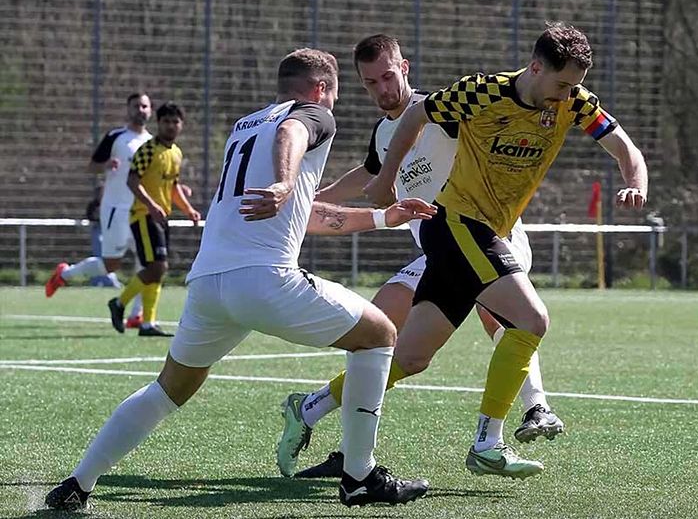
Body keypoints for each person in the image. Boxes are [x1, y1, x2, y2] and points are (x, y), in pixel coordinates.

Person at [44, 48, 433, 512]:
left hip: (209, 285)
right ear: (321, 88)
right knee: (379, 335)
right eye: (338, 92)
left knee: (167, 389)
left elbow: (307, 215)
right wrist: (287, 181)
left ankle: (77, 484)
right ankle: (360, 475)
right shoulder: (311, 114)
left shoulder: (244, 126)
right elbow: (294, 131)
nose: (336, 104)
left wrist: (382, 217)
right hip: (266, 280)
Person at [362, 22, 649, 479]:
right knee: (529, 319)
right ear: (535, 67)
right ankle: (491, 438)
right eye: (561, 83)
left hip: (488, 232)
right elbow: (416, 117)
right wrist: (382, 180)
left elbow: (624, 147)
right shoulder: (481, 93)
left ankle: (314, 406)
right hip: (455, 225)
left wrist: (635, 183)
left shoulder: (574, 101)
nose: (567, 94)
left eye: (574, 85)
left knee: (412, 354)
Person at [278, 34, 564, 480]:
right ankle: (315, 413)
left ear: (405, 68)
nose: (382, 89)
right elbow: (372, 173)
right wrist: (312, 195)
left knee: (504, 319)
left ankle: (529, 412)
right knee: (382, 332)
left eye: (388, 76)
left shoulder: (441, 111)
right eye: (370, 83)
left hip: (484, 237)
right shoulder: (384, 131)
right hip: (438, 252)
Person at [46, 93, 152, 329]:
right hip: (115, 209)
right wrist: (105, 165)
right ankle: (65, 274)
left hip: (141, 211)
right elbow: (91, 166)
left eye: (145, 106)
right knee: (110, 266)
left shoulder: (153, 142)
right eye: (136, 106)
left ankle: (137, 314)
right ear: (128, 109)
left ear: (150, 110)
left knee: (149, 261)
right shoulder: (116, 137)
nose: (141, 110)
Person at [105, 102, 201, 337]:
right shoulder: (148, 150)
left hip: (161, 217)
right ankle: (119, 303)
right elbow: (132, 181)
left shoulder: (176, 153)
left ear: (181, 125)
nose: (170, 126)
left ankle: (148, 324)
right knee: (158, 266)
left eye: (175, 122)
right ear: (158, 123)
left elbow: (173, 186)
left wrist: (188, 209)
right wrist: (152, 205)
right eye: (166, 121)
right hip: (143, 215)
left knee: (156, 270)